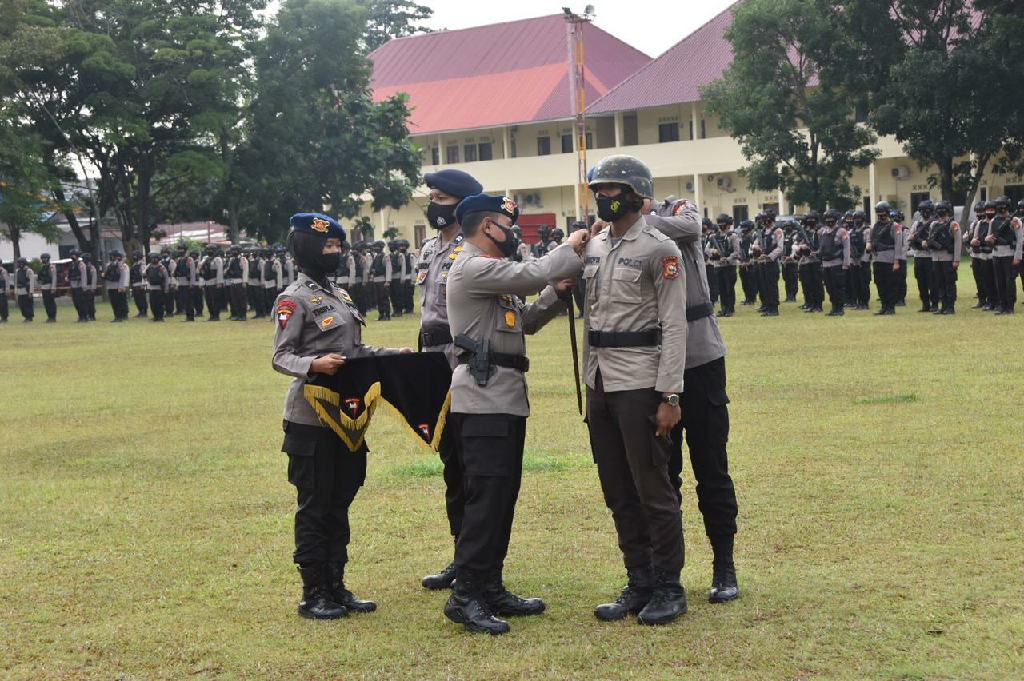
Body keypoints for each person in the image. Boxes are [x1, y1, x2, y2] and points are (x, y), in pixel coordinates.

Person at [444, 193, 585, 635]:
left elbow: (522, 320)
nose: (513, 232)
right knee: (485, 501)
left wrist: (556, 294)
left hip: (504, 398)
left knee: (502, 499)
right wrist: (572, 248)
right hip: (483, 401)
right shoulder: (472, 266)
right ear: (488, 226)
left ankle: (490, 586)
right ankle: (465, 594)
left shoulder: (492, 274)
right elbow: (534, 273)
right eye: (508, 224)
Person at [272, 212, 409, 620]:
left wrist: (392, 355)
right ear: (310, 250)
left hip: (347, 416)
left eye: (338, 246)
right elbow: (281, 356)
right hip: (311, 417)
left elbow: (356, 350)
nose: (336, 253)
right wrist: (314, 363)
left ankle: (337, 585)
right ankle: (313, 592)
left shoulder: (340, 296)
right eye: (329, 247)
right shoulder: (293, 298)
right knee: (315, 504)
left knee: (340, 500)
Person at [582, 156, 688, 626]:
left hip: (641, 381)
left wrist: (670, 395)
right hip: (600, 380)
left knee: (652, 487)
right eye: (598, 190)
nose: (602, 197)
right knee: (617, 488)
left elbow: (674, 324)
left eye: (610, 189)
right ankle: (638, 580)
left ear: (635, 193)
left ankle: (668, 585)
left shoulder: (659, 249)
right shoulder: (594, 245)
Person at [415, 167, 483, 591]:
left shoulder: (473, 248)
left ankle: (476, 560)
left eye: (440, 198)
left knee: (471, 463)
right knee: (450, 465)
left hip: (462, 361)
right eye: (432, 198)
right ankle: (460, 555)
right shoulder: (427, 248)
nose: (433, 205)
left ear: (460, 203)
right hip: (431, 364)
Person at [923, 201, 962, 315]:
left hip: (948, 257)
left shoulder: (953, 224)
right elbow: (930, 239)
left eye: (943, 209)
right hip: (936, 258)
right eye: (939, 209)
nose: (941, 212)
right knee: (939, 283)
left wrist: (956, 259)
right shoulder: (933, 224)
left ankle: (950, 306)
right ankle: (943, 305)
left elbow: (958, 242)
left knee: (949, 282)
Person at [986, 196, 1023, 314]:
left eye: (1003, 206)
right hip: (997, 254)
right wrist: (989, 239)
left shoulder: (1015, 220)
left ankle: (1010, 306)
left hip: (1010, 254)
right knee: (999, 281)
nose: (1001, 209)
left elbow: (1019, 240)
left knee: (1009, 281)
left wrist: (1017, 257)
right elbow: (988, 237)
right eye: (998, 206)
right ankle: (1002, 305)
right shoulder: (993, 221)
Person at [866, 201, 904, 316]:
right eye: (878, 214)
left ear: (887, 213)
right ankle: (884, 306)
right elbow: (870, 239)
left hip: (889, 258)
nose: (880, 216)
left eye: (882, 213)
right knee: (879, 283)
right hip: (877, 259)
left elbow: (898, 244)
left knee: (890, 284)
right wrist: (868, 245)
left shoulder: (895, 226)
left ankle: (890, 307)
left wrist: (896, 261)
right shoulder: (875, 226)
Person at [818, 209, 851, 317]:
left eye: (831, 220)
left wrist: (846, 263)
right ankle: (834, 307)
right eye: (827, 220)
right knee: (829, 287)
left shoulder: (842, 231)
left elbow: (846, 248)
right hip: (826, 263)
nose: (829, 222)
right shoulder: (822, 231)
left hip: (837, 263)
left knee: (838, 287)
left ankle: (839, 308)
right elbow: (821, 248)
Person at [708, 214, 739, 317]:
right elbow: (706, 250)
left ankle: (730, 309)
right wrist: (713, 252)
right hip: (718, 266)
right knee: (721, 289)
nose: (722, 227)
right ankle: (723, 308)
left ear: (728, 225)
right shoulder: (714, 237)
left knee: (729, 288)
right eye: (720, 224)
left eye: (724, 225)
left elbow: (736, 251)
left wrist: (728, 258)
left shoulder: (733, 236)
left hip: (729, 266)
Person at [908, 200, 937, 312]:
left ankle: (934, 304)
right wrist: (918, 241)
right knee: (921, 282)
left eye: (928, 210)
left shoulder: (934, 224)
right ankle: (925, 304)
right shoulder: (916, 224)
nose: (926, 213)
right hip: (918, 256)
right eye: (923, 211)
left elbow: (934, 239)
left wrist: (925, 242)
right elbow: (910, 237)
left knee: (932, 282)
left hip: (930, 257)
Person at [753, 211, 784, 316]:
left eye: (765, 219)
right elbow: (756, 244)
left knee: (772, 286)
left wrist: (769, 256)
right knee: (764, 286)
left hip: (771, 262)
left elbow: (780, 248)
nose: (764, 222)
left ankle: (774, 308)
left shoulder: (777, 231)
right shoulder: (762, 232)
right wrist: (755, 248)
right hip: (762, 262)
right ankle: (767, 306)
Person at [967, 202, 994, 310]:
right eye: (977, 212)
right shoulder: (975, 224)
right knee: (978, 278)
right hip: (975, 255)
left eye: (982, 211)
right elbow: (969, 238)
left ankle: (991, 300)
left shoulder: (990, 223)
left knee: (988, 279)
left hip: (987, 254)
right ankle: (981, 299)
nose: (980, 214)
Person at [795, 213, 823, 313]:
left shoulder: (820, 231)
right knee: (809, 284)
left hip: (817, 261)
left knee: (817, 284)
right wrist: (802, 247)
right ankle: (811, 304)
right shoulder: (806, 232)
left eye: (812, 219)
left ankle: (818, 305)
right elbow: (800, 243)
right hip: (807, 261)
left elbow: (822, 245)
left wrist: (815, 252)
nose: (810, 222)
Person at [103, 251, 130, 322]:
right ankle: (116, 316)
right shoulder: (109, 265)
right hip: (110, 286)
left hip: (117, 286)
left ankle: (120, 316)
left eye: (112, 256)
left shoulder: (120, 265)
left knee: (119, 302)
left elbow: (123, 276)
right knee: (113, 303)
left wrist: (121, 286)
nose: (110, 257)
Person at [737, 219, 758, 305]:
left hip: (750, 263)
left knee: (751, 282)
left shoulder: (752, 237)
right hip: (743, 262)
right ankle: (747, 298)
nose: (742, 230)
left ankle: (752, 299)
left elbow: (754, 251)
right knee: (744, 282)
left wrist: (750, 261)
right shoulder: (742, 237)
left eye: (744, 228)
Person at [224, 245, 248, 321]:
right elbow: (228, 269)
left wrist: (244, 281)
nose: (233, 252)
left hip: (240, 281)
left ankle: (243, 315)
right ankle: (237, 314)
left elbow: (245, 270)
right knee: (234, 300)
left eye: (235, 250)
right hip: (232, 281)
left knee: (241, 299)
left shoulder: (243, 259)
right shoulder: (232, 260)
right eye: (232, 250)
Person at [370, 241, 392, 321]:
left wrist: (387, 281)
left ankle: (387, 315)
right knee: (378, 299)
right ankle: (381, 314)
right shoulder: (376, 257)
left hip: (383, 280)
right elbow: (373, 268)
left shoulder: (385, 256)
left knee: (384, 298)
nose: (375, 249)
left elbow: (388, 269)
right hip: (376, 280)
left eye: (377, 247)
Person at [145, 252, 169, 321]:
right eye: (152, 258)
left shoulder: (161, 267)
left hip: (159, 288)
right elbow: (144, 273)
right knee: (153, 304)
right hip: (152, 288)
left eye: (154, 258)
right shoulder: (149, 266)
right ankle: (155, 316)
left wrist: (166, 288)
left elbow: (166, 277)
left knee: (159, 303)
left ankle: (160, 317)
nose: (153, 260)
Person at [68, 249, 89, 322]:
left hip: (80, 286)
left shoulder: (81, 264)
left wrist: (84, 286)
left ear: (77, 256)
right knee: (76, 303)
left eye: (73, 255)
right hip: (73, 286)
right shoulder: (72, 264)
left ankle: (85, 317)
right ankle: (80, 316)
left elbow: (83, 275)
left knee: (81, 302)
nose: (71, 256)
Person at [38, 252, 58, 322]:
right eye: (42, 258)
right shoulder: (42, 267)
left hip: (49, 287)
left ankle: (53, 317)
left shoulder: (51, 267)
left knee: (51, 302)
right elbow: (40, 277)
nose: (43, 259)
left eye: (45, 258)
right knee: (46, 303)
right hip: (44, 287)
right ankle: (49, 316)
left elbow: (54, 277)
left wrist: (53, 287)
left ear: (48, 259)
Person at [14, 257, 35, 322]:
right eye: (19, 263)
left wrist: (31, 292)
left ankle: (29, 317)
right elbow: (16, 281)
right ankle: (26, 316)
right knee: (21, 305)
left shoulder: (29, 270)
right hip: (20, 290)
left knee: (27, 305)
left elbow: (31, 282)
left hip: (26, 290)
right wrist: (16, 291)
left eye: (21, 263)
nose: (19, 264)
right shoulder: (18, 271)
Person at [247, 248, 265, 319]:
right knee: (254, 299)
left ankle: (262, 313)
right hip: (252, 282)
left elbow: (262, 273)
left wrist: (262, 282)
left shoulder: (261, 262)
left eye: (255, 252)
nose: (253, 254)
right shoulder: (251, 261)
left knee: (259, 299)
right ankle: (257, 313)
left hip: (258, 282)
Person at [130, 251, 149, 318]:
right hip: (135, 284)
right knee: (137, 299)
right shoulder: (134, 264)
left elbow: (144, 275)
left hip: (140, 284)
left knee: (142, 299)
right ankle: (140, 311)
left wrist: (143, 285)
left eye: (135, 255)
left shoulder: (142, 264)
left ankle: (144, 312)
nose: (134, 257)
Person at [83, 252, 98, 321]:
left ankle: (92, 315)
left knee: (90, 303)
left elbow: (94, 278)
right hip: (84, 287)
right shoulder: (82, 267)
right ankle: (86, 314)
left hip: (89, 287)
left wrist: (93, 287)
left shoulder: (91, 267)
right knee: (84, 303)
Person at [190, 250, 204, 318]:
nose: (193, 256)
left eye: (194, 254)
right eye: (192, 254)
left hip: (198, 282)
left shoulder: (199, 263)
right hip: (193, 282)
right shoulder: (190, 263)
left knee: (199, 298)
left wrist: (201, 283)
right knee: (194, 298)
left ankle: (200, 311)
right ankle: (196, 311)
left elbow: (201, 274)